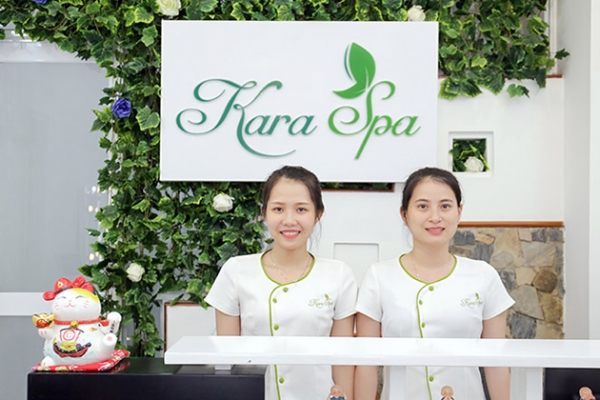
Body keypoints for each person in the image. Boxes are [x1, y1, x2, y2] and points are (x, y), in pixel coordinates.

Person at [354, 167, 514, 400]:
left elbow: (496, 363)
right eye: (422, 206)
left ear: (459, 211)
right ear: (404, 214)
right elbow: (366, 364)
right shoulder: (378, 277)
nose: (435, 217)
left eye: (445, 206)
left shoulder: (483, 276)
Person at [205, 165, 357, 400]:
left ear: (318, 214)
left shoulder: (339, 275)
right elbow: (226, 361)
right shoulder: (236, 271)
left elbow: (342, 359)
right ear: (264, 213)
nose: (289, 220)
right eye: (278, 209)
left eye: (301, 209)